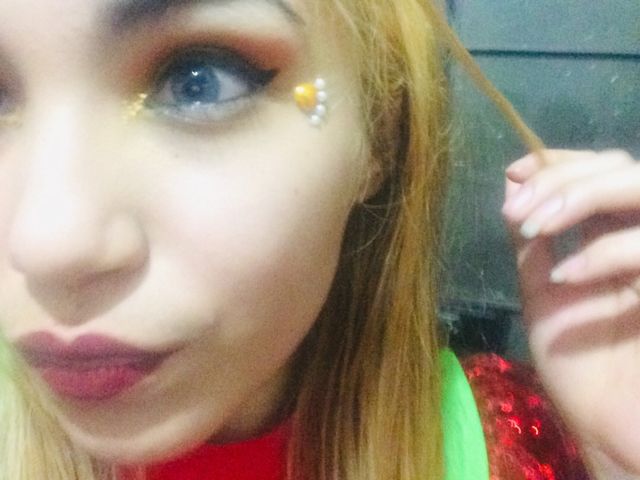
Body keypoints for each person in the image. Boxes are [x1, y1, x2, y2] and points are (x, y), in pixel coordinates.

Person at [0, 0, 637, 479]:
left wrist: (616, 459)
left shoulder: (505, 450)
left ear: (380, 135)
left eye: (198, 79)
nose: (48, 244)